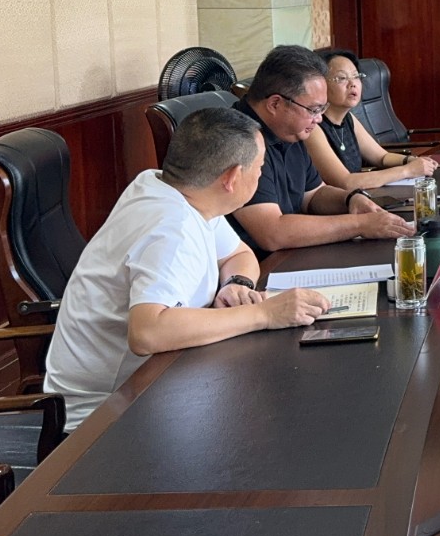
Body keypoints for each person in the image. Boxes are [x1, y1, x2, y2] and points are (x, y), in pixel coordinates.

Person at [44, 108, 331, 431]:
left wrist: (236, 284)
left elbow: (239, 254)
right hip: (105, 419)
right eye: (260, 167)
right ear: (232, 178)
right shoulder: (171, 228)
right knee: (280, 417)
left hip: (160, 378)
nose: (261, 174)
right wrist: (264, 314)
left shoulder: (174, 189)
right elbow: (147, 332)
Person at [230, 44, 413, 255]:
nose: (318, 119)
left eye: (322, 109)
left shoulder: (290, 130)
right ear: (275, 104)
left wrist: (350, 199)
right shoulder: (237, 139)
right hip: (260, 266)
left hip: (295, 253)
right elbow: (273, 233)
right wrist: (360, 224)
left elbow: (313, 194)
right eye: (314, 110)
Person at [305, 49, 439, 193]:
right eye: (342, 78)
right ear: (321, 85)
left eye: (356, 76)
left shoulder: (348, 118)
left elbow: (382, 157)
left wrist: (412, 160)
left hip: (357, 199)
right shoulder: (313, 127)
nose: (352, 84)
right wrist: (407, 171)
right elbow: (346, 182)